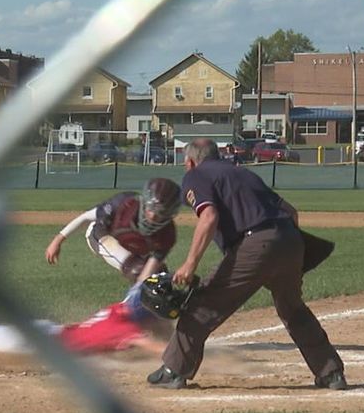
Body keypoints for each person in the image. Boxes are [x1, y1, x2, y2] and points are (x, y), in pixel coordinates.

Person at [147, 137, 347, 391]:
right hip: (291, 240)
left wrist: (190, 264)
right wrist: (280, 252)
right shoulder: (243, 173)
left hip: (255, 244)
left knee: (202, 305)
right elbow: (292, 212)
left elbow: (208, 217)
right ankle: (331, 373)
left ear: (190, 161)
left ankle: (173, 371)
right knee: (293, 309)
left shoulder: (196, 175)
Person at [0, 272, 192, 356]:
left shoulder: (118, 311)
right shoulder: (125, 332)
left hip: (43, 334)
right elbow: (161, 351)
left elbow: (139, 301)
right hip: (33, 342)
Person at [44, 177, 181, 283]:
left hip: (135, 248)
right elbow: (87, 217)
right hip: (100, 236)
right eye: (150, 208)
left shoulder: (168, 234)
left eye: (161, 212)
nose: (152, 215)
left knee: (159, 276)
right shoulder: (124, 204)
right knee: (137, 269)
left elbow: (152, 266)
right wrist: (58, 240)